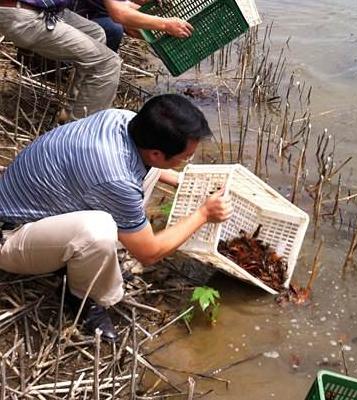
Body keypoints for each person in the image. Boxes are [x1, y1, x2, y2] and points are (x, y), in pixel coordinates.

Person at [0, 94, 232, 342]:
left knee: (134, 188)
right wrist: (203, 214)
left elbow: (140, 169)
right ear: (156, 153)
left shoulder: (123, 119)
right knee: (98, 231)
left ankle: (83, 261)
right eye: (185, 158)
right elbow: (149, 254)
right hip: (11, 235)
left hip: (46, 205)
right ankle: (81, 297)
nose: (187, 161)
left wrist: (183, 182)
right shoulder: (116, 179)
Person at [0, 0, 193, 119]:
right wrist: (166, 24)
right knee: (107, 64)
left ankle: (72, 110)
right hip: (24, 15)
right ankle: (78, 134)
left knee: (96, 34)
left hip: (43, 10)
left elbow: (124, 6)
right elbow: (120, 13)